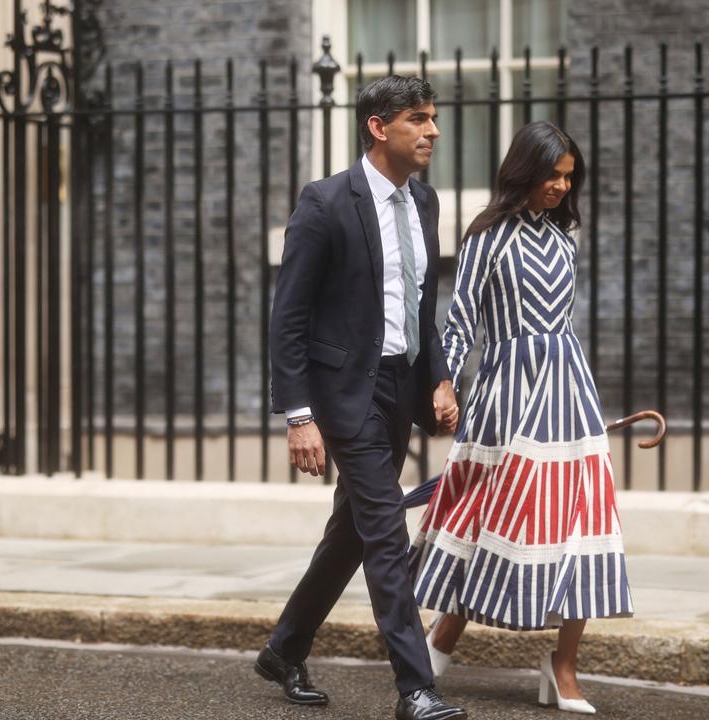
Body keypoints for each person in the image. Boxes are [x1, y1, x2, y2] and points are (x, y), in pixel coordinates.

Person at [255, 75, 467, 720]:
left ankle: (283, 648)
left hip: (402, 387)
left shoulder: (423, 202)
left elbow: (423, 302)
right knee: (383, 530)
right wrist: (299, 416)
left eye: (433, 118)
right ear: (379, 127)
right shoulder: (325, 202)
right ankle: (415, 687)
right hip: (346, 393)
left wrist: (438, 376)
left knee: (352, 531)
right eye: (418, 119)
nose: (432, 130)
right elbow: (288, 317)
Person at [409, 121, 633, 715]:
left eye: (568, 177)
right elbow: (460, 324)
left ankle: (563, 669)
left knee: (582, 520)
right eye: (551, 175)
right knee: (491, 514)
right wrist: (443, 384)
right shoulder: (488, 236)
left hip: (568, 389)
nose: (560, 187)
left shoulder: (566, 238)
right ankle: (442, 639)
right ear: (523, 172)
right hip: (508, 393)